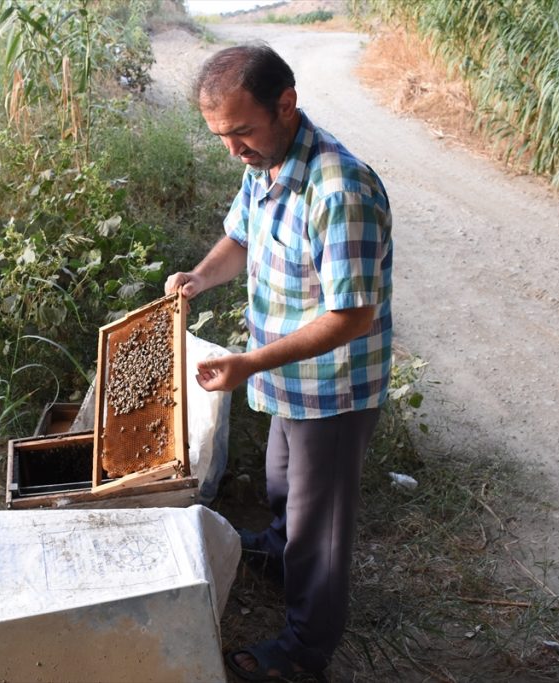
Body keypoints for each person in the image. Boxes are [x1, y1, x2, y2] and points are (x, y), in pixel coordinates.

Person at [165, 43, 393, 681]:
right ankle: (275, 549)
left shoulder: (340, 190)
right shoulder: (263, 162)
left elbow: (352, 317)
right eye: (220, 135)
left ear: (286, 104)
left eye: (241, 131)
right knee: (281, 484)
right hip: (286, 378)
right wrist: (199, 278)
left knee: (319, 527)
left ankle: (303, 650)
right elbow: (241, 237)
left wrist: (249, 362)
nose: (231, 149)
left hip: (334, 389)